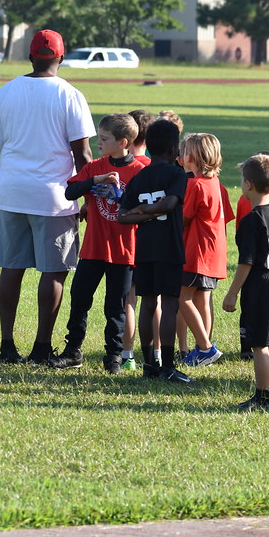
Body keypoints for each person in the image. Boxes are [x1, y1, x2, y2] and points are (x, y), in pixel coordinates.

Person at [0, 29, 94, 365]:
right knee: (54, 271)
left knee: (11, 268)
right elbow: (83, 154)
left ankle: (6, 346)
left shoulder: (6, 92)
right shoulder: (70, 95)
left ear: (30, 57)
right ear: (61, 57)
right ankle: (42, 347)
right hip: (55, 197)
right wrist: (88, 197)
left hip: (11, 192)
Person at [52, 113, 145, 373]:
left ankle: (114, 356)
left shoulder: (140, 172)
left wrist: (120, 197)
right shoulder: (96, 166)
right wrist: (95, 181)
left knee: (115, 306)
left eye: (104, 138)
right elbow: (70, 191)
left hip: (124, 251)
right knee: (80, 298)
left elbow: (147, 208)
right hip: (93, 248)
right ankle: (73, 351)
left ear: (123, 142)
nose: (98, 142)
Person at [118, 119, 192, 384]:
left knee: (148, 303)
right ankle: (168, 366)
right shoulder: (177, 174)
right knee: (169, 305)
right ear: (174, 149)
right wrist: (154, 209)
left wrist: (140, 211)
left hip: (145, 247)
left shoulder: (140, 178)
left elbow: (123, 216)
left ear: (147, 147)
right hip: (169, 247)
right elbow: (170, 204)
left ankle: (150, 364)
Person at [223, 153, 269, 410]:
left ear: (248, 185)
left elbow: (246, 263)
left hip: (261, 283)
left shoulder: (252, 220)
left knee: (260, 345)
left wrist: (232, 294)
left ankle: (262, 397)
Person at [178, 133, 227, 368]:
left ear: (193, 156)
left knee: (183, 298)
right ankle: (203, 349)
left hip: (196, 250)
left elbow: (183, 219)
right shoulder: (215, 182)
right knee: (202, 298)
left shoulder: (195, 184)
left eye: (185, 150)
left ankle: (205, 348)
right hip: (212, 251)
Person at [121, 109, 154, 370]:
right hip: (153, 242)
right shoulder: (154, 167)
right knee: (155, 301)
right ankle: (157, 353)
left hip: (127, 243)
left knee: (129, 301)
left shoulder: (127, 167)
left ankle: (128, 354)